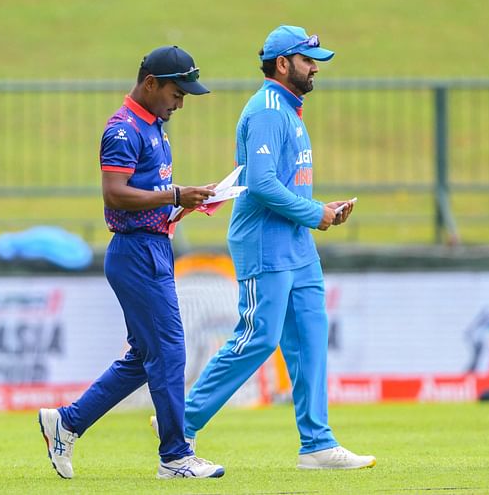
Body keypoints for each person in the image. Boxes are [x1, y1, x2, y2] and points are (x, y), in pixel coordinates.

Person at [152, 26, 376, 469]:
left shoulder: (290, 111)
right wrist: (315, 213)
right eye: (308, 60)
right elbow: (262, 184)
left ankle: (317, 444)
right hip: (265, 244)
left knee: (311, 339)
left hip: (297, 244)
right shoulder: (269, 110)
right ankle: (180, 423)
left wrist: (320, 210)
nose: (315, 68)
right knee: (258, 338)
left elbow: (284, 183)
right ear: (282, 63)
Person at [38, 45, 225, 480]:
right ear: (151, 84)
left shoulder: (154, 127)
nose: (180, 103)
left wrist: (188, 200)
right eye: (177, 94)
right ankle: (175, 457)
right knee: (169, 351)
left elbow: (149, 193)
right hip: (136, 252)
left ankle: (67, 422)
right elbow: (115, 193)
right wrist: (175, 196)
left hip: (152, 247)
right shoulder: (123, 130)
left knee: (146, 356)